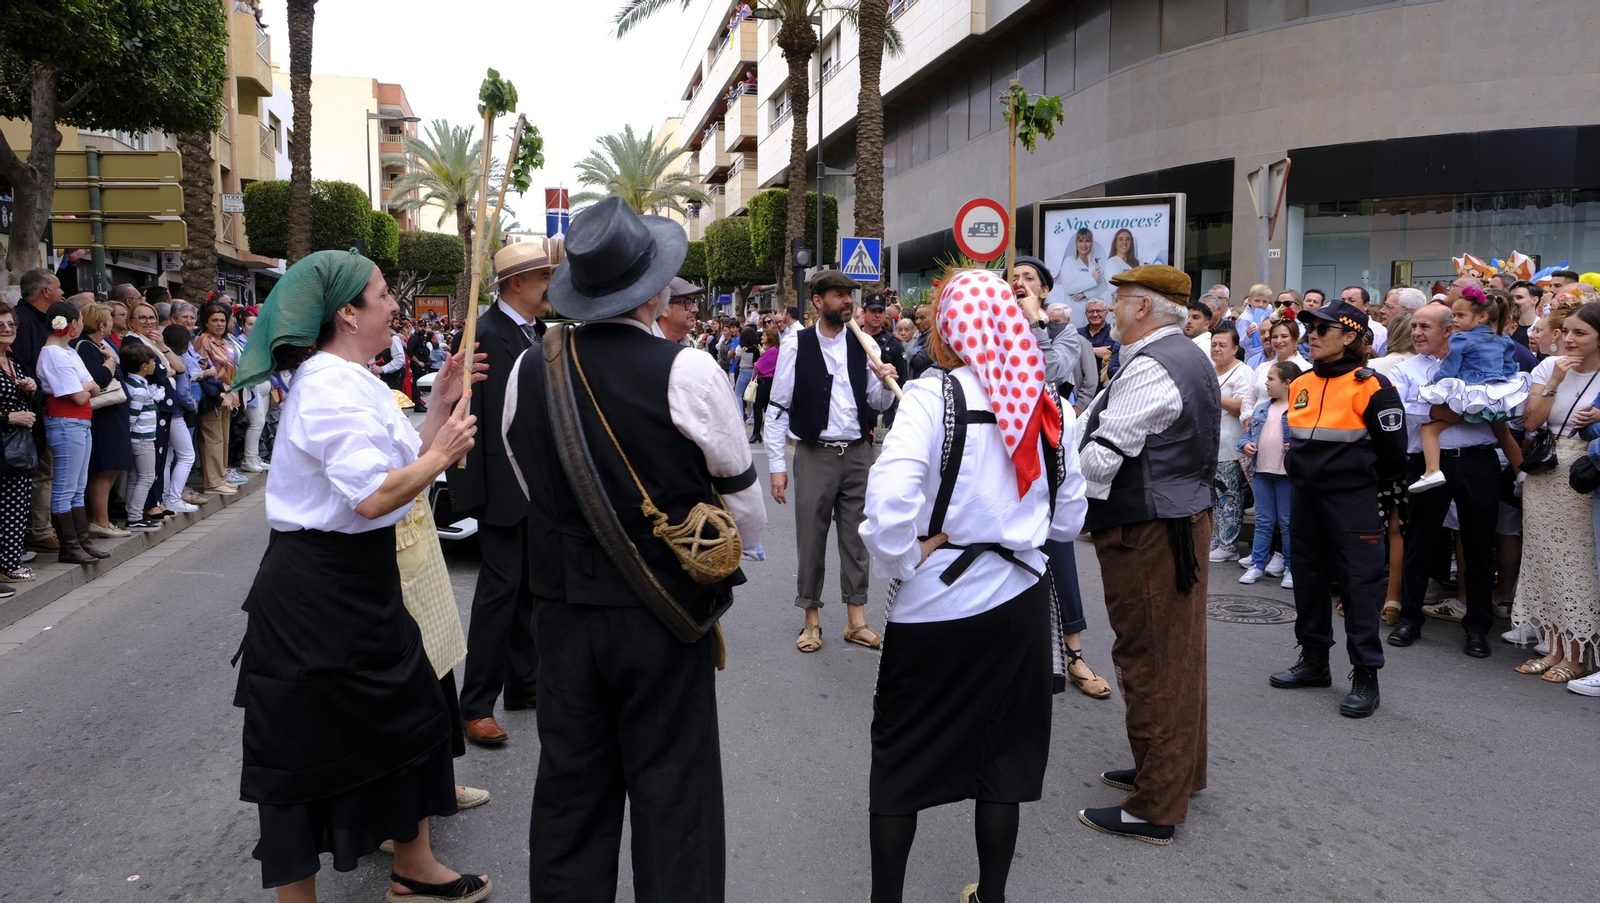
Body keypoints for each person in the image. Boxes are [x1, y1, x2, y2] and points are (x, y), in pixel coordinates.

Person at [501, 196, 766, 903]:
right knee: (675, 795)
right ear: (651, 292)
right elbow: (743, 506)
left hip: (562, 609)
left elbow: (529, 480)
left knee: (570, 792)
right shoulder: (689, 371)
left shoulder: (530, 368)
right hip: (663, 612)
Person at [231, 249, 488, 902]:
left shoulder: (357, 379)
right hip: (317, 591)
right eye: (383, 294)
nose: (396, 304)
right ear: (347, 313)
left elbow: (401, 465)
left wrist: (440, 408)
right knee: (301, 747)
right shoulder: (326, 387)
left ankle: (415, 865)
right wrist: (442, 456)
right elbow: (373, 497)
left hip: (363, 580)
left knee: (415, 713)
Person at [859, 268, 1087, 903]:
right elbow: (1068, 518)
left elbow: (888, 507)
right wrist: (1020, 532)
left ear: (950, 329)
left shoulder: (930, 399)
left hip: (936, 603)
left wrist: (905, 557)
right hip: (1019, 603)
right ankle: (992, 894)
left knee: (902, 759)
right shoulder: (1052, 406)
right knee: (1003, 759)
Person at [1074, 264, 1216, 844]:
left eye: (1120, 299)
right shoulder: (1181, 354)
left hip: (1151, 529)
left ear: (1144, 306)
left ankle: (1156, 805)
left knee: (1151, 658)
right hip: (1172, 519)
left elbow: (1100, 459)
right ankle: (1174, 771)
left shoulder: (1155, 365)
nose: (1111, 308)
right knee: (1175, 656)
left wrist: (1049, 462)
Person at [1268, 299, 1406, 717]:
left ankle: (1366, 675)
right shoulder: (1301, 382)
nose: (1311, 335)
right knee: (1308, 580)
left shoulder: (1373, 386)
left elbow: (1394, 455)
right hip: (1305, 497)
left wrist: (1358, 480)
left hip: (1352, 500)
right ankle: (1314, 661)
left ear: (1349, 337)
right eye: (1310, 328)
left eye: (1322, 329)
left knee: (1359, 587)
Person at [448, 238, 558, 745]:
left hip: (536, 487)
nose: (551, 286)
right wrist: (473, 493)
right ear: (517, 284)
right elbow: (469, 416)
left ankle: (524, 684)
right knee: (498, 596)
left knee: (530, 591)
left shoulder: (538, 332)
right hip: (501, 490)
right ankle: (476, 704)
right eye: (544, 277)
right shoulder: (484, 334)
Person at [765, 270, 898, 653]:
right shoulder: (797, 343)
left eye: (849, 294)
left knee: (857, 539)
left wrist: (884, 381)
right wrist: (777, 466)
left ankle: (856, 621)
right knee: (811, 537)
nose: (847, 301)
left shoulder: (863, 342)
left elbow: (876, 402)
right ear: (818, 301)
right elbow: (778, 406)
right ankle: (811, 620)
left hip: (857, 453)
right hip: (815, 453)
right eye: (839, 294)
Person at [1386, 302, 1503, 658]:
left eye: (1425, 326)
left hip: (1478, 460)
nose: (1416, 332)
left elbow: (1500, 403)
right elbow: (1402, 410)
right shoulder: (1407, 368)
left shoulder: (1478, 360)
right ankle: (1410, 619)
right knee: (1419, 542)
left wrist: (1454, 409)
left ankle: (1478, 628)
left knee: (1479, 546)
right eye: (1414, 326)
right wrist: (1449, 410)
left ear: (1448, 330)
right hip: (1426, 462)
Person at [1510, 300, 1600, 686]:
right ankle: (1554, 648)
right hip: (1545, 471)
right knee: (1542, 560)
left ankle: (1579, 654)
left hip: (1582, 473)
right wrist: (1555, 381)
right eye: (1567, 331)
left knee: (1576, 564)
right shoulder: (1549, 366)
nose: (1569, 339)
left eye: (1581, 333)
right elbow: (1531, 422)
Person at [1410, 287, 1527, 492]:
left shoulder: (1461, 338)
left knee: (1429, 429)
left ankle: (1432, 470)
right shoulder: (1503, 338)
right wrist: (1503, 384)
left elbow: (1450, 367)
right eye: (1454, 315)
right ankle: (1521, 472)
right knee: (1503, 432)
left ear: (1482, 316)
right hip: (1494, 391)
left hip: (1469, 393)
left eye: (1460, 315)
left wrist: (1436, 383)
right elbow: (1509, 365)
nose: (1455, 320)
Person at [36, 301, 109, 565]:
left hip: (78, 422)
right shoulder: (53, 353)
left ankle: (82, 542)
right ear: (71, 324)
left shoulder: (67, 351)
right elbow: (80, 395)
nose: (80, 325)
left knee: (77, 487)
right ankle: (70, 546)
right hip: (66, 421)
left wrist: (85, 386)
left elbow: (94, 388)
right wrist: (86, 386)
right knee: (66, 488)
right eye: (78, 320)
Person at [71, 302, 136, 539]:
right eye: (109, 320)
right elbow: (96, 381)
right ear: (101, 325)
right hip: (103, 416)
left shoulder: (98, 345)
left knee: (114, 465)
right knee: (104, 466)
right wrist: (110, 363)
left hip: (114, 414)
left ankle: (102, 519)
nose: (112, 324)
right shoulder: (86, 347)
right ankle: (100, 520)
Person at [1239, 361, 1300, 587]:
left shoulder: (1298, 410)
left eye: (1271, 379)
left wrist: (1296, 446)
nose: (1266, 383)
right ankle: (1257, 565)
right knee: (1263, 522)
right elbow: (1247, 435)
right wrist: (1245, 444)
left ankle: (1290, 568)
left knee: (1287, 522)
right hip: (1262, 472)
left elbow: (1307, 437)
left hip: (1286, 475)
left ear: (1287, 383)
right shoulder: (1262, 408)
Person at [15, 269, 62, 552]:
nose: (61, 292)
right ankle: (38, 530)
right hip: (31, 410)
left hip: (43, 408)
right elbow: (26, 365)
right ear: (45, 290)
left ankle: (44, 527)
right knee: (39, 472)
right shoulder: (23, 321)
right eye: (58, 287)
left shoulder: (41, 320)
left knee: (47, 471)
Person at [0, 302, 42, 584]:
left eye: (11, 324)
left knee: (17, 504)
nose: (7, 329)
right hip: (4, 441)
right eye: (0, 325)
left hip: (18, 447)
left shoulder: (13, 361)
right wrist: (8, 417)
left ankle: (10, 563)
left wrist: (30, 390)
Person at [1209, 328, 1255, 563]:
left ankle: (1229, 544)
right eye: (1214, 344)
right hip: (1209, 444)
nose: (1216, 349)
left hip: (1230, 444)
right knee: (1213, 497)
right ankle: (1216, 538)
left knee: (1228, 496)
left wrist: (1214, 396)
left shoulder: (1243, 371)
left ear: (1235, 348)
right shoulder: (1210, 369)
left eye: (1222, 345)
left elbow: (1242, 406)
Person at [195, 303, 239, 496]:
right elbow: (202, 372)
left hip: (229, 393)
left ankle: (221, 477)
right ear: (206, 322)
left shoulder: (226, 342)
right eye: (215, 320)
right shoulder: (203, 341)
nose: (220, 324)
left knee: (223, 438)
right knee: (212, 439)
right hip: (213, 394)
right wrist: (219, 395)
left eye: (222, 320)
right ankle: (212, 481)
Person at [161, 324, 206, 511]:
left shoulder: (163, 357)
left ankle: (165, 498)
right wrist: (191, 404)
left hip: (165, 412)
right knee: (187, 455)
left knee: (168, 457)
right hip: (177, 413)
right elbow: (182, 392)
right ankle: (173, 498)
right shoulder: (179, 361)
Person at [119, 342, 163, 532]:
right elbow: (132, 416)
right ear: (145, 366)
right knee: (147, 477)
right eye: (153, 361)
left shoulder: (132, 384)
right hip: (142, 438)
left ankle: (133, 514)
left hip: (137, 438)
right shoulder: (139, 389)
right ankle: (135, 517)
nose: (155, 365)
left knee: (135, 478)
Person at [1053, 227, 1107, 324]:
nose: (1084, 245)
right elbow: (1069, 288)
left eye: (1087, 241)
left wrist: (1085, 294)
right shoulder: (1069, 261)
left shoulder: (1094, 263)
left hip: (1091, 315)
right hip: (1074, 314)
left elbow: (1103, 287)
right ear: (1076, 243)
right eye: (1080, 241)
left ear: (1091, 243)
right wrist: (1092, 279)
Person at [1078, 297, 1120, 391]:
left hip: (1105, 388)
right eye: (1091, 311)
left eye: (1099, 311)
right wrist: (1092, 351)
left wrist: (1083, 350)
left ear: (1106, 313)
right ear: (1086, 314)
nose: (1095, 314)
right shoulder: (1077, 333)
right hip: (1080, 387)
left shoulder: (1115, 332)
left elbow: (1111, 355)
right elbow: (1069, 353)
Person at [750, 326, 780, 443]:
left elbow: (758, 366)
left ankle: (757, 433)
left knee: (758, 406)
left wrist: (757, 363)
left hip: (766, 381)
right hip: (766, 380)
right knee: (765, 407)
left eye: (764, 335)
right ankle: (763, 433)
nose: (762, 337)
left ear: (770, 338)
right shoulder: (771, 350)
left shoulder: (772, 351)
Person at [1340, 286, 1387, 354]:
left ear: (1366, 306)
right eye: (1343, 300)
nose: (1345, 304)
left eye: (1351, 300)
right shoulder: (1336, 326)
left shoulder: (1380, 331)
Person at [655, 277, 702, 345]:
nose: (696, 309)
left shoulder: (690, 344)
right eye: (688, 302)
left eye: (694, 301)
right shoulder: (644, 344)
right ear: (664, 308)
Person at [1234, 284, 1274, 364]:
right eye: (1257, 301)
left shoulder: (1269, 309)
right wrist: (1248, 335)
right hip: (1253, 356)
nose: (1261, 305)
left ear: (1269, 301)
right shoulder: (1245, 318)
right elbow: (1240, 343)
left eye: (1265, 301)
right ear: (1249, 300)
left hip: (1271, 354)